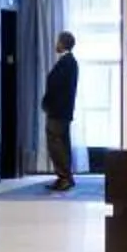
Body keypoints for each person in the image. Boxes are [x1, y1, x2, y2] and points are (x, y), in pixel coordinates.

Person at [41, 32, 80, 192]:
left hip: (58, 112)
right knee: (62, 144)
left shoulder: (67, 62)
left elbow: (58, 89)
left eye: (57, 41)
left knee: (56, 144)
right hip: (62, 111)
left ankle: (64, 177)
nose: (55, 44)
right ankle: (64, 177)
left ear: (62, 43)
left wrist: (48, 104)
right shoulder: (68, 62)